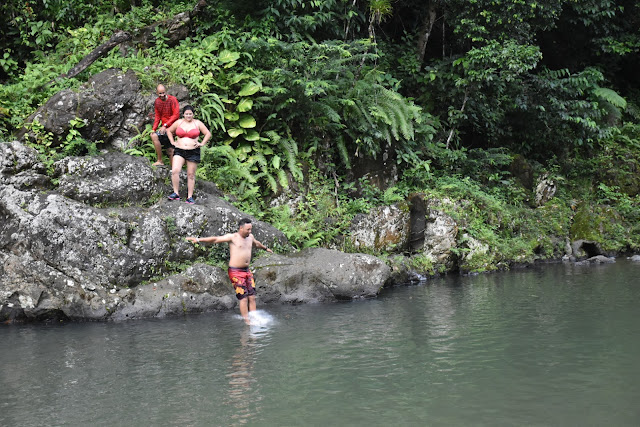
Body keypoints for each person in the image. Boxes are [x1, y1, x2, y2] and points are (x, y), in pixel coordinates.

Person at [186, 218, 273, 324]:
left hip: (247, 271)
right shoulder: (233, 237)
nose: (250, 232)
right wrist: (199, 240)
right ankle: (247, 321)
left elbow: (256, 244)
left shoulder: (250, 237)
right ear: (241, 228)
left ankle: (254, 317)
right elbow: (215, 239)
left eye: (251, 229)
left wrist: (265, 248)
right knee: (244, 298)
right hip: (235, 271)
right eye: (248, 229)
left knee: (252, 297)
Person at [166, 105, 211, 204]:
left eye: (190, 114)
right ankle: (175, 193)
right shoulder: (179, 122)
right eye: (186, 114)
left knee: (190, 175)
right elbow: (169, 131)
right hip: (179, 150)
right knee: (175, 170)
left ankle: (189, 197)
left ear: (193, 114)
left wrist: (202, 143)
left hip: (193, 151)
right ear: (183, 114)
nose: (188, 116)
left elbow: (207, 133)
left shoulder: (198, 123)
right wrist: (172, 142)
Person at [150, 84, 180, 166]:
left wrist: (165, 125)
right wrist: (154, 129)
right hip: (165, 129)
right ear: (157, 93)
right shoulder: (157, 102)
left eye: (163, 93)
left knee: (171, 151)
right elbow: (157, 116)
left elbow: (176, 115)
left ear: (166, 91)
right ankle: (160, 160)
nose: (162, 95)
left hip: (173, 126)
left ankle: (174, 170)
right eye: (160, 93)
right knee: (154, 135)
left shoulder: (172, 100)